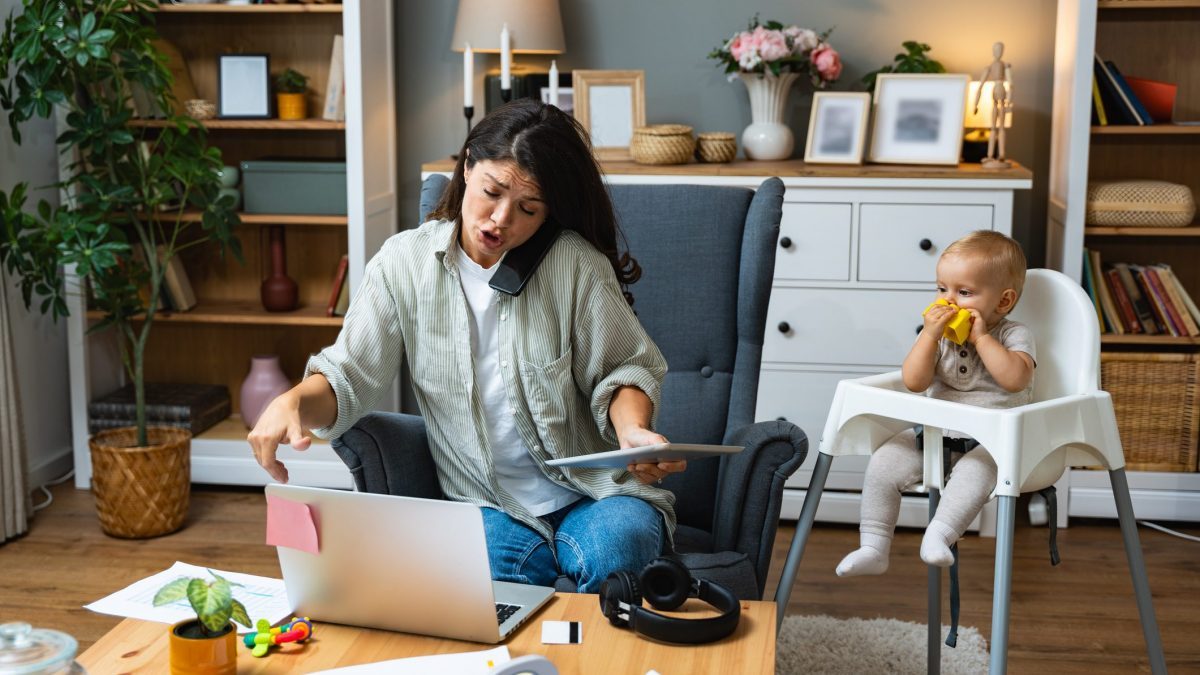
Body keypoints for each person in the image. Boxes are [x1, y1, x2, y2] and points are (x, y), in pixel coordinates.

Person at [247, 98, 685, 593]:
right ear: (468, 164)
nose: (500, 219)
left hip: (593, 494)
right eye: (491, 192)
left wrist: (632, 431)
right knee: (492, 585)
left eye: (528, 209)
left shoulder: (574, 266)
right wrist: (292, 402)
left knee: (619, 551)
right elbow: (351, 374)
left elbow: (624, 368)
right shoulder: (403, 264)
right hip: (485, 503)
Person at [837, 230, 1036, 576]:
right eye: (942, 289)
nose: (948, 301)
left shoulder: (1012, 334)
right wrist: (929, 335)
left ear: (1003, 302)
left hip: (988, 443)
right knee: (884, 460)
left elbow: (1015, 378)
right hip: (933, 435)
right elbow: (914, 382)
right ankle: (873, 544)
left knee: (977, 472)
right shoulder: (939, 337)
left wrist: (982, 338)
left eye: (964, 292)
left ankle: (940, 534)